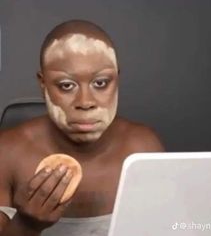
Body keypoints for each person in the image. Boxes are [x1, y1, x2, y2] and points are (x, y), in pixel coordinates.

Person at [0, 20, 164, 236]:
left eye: (101, 83)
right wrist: (26, 226)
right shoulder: (7, 152)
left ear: (117, 79)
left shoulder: (144, 147)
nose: (85, 102)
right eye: (66, 85)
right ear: (43, 84)